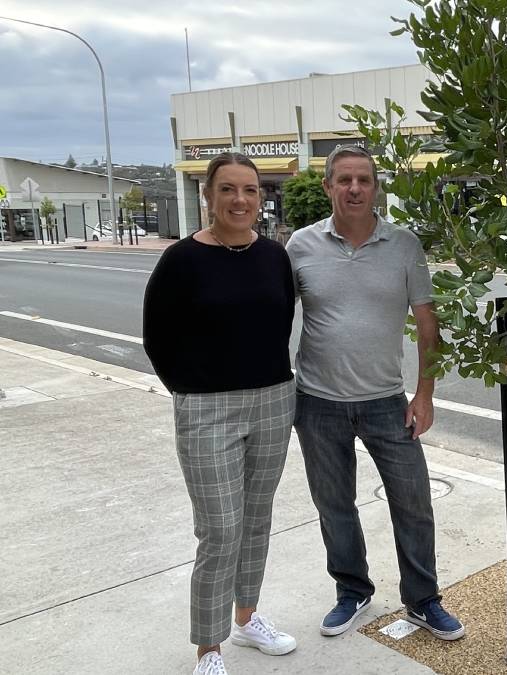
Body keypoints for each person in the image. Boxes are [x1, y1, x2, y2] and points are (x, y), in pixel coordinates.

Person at [287, 145, 464, 641]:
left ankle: (422, 600)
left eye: (363, 179)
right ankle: (352, 591)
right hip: (317, 403)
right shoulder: (300, 247)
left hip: (387, 402)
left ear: (376, 186)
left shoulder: (405, 246)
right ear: (328, 187)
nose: (355, 188)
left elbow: (429, 326)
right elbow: (274, 321)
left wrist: (424, 394)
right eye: (344, 180)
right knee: (334, 504)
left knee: (413, 502)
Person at [143, 152, 299, 675]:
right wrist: (189, 392)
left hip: (274, 401)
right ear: (208, 196)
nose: (239, 200)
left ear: (261, 198)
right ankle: (208, 649)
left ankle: (247, 619)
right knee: (220, 530)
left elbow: (281, 323)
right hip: (206, 408)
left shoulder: (275, 257)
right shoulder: (181, 261)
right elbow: (157, 338)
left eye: (250, 190)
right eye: (227, 190)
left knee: (256, 521)